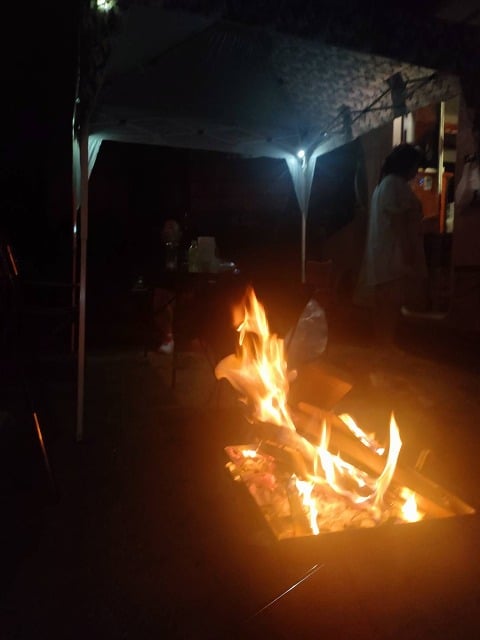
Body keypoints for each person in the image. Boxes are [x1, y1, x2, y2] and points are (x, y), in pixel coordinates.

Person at [364, 143, 428, 357]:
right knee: (390, 302)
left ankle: (381, 343)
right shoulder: (395, 185)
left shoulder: (383, 185)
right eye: (415, 166)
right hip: (393, 254)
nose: (417, 171)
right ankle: (386, 344)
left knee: (382, 301)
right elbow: (400, 222)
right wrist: (408, 252)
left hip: (382, 253)